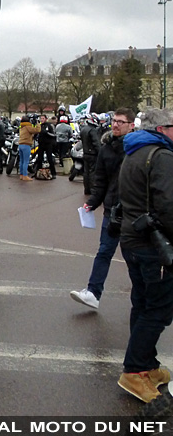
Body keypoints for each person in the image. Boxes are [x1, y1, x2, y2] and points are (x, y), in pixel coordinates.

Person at [116, 108, 173, 403]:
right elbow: (168, 206)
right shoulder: (161, 156)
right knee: (159, 309)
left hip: (133, 240)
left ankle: (146, 365)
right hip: (154, 245)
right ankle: (135, 370)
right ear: (162, 128)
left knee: (143, 302)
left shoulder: (134, 151)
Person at [70, 108, 135, 309]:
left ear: (131, 125)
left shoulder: (137, 149)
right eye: (114, 121)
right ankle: (93, 292)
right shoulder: (106, 148)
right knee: (104, 251)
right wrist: (92, 202)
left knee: (133, 256)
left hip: (133, 211)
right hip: (112, 210)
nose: (116, 124)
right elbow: (101, 180)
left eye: (121, 122)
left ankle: (144, 293)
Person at [80, 115, 101, 195]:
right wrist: (100, 152)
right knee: (92, 172)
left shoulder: (83, 129)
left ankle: (87, 189)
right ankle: (92, 189)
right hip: (92, 154)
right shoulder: (93, 130)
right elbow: (96, 143)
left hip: (85, 153)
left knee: (86, 172)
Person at [18, 115, 40, 181]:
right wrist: (37, 123)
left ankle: (21, 175)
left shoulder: (22, 126)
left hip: (21, 144)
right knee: (26, 161)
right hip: (26, 145)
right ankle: (25, 176)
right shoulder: (28, 127)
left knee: (21, 161)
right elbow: (37, 130)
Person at [35, 114, 57, 179]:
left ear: (46, 119)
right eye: (41, 118)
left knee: (50, 158)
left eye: (43, 118)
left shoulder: (49, 126)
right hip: (41, 144)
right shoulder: (39, 126)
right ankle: (37, 172)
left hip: (48, 144)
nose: (41, 120)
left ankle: (53, 173)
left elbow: (53, 135)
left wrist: (46, 133)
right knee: (39, 159)